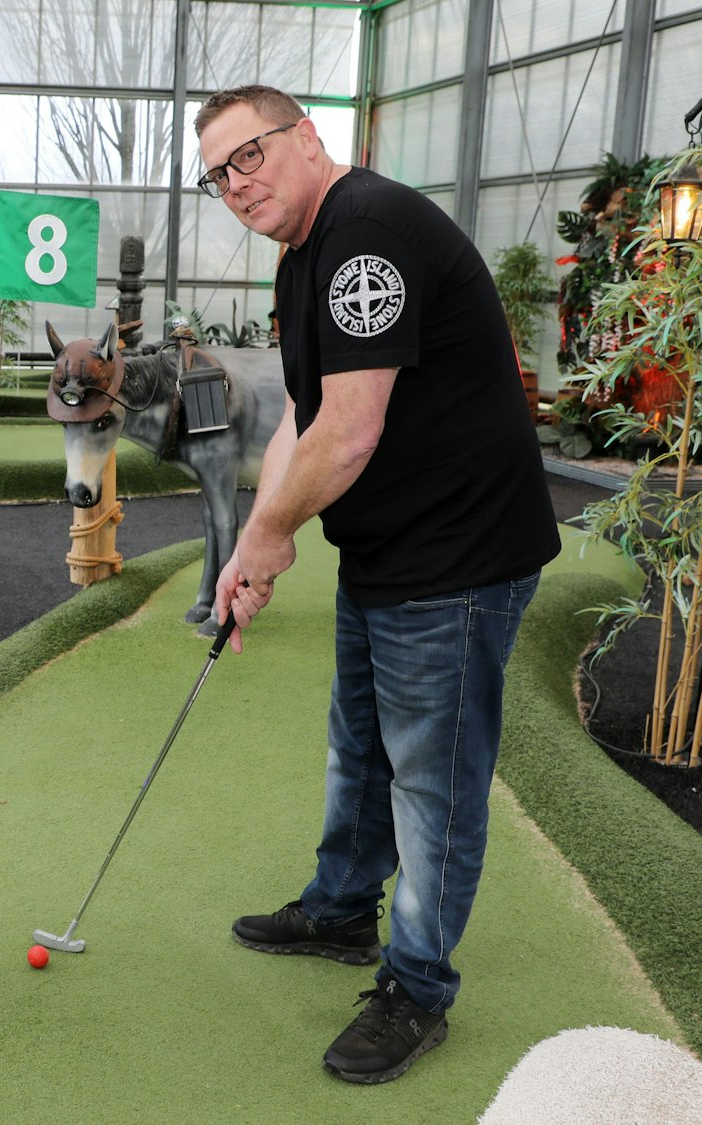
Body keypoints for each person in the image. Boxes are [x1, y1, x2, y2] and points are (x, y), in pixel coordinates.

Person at [197, 85, 560, 1084]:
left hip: (460, 560)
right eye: (219, 172)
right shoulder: (299, 254)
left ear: (307, 137)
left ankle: (414, 984)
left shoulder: (365, 236)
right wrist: (248, 541)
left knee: (432, 780)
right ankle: (338, 910)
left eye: (251, 154)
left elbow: (350, 432)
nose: (237, 183)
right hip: (389, 552)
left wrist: (274, 536)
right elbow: (299, 421)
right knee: (358, 744)